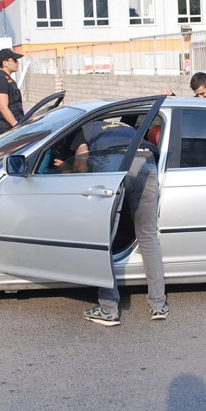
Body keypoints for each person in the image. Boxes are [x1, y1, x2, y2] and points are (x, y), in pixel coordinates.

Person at [68, 120, 168, 326]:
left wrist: (73, 175)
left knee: (104, 237)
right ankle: (158, 305)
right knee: (148, 235)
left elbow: (82, 158)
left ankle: (108, 308)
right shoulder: (126, 127)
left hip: (114, 162)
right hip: (145, 160)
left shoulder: (83, 130)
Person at [0, 48, 25, 135]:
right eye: (15, 60)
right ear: (5, 63)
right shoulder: (2, 80)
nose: (17, 62)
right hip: (7, 131)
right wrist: (17, 126)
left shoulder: (6, 79)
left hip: (10, 130)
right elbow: (3, 108)